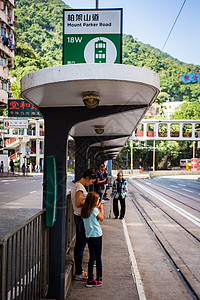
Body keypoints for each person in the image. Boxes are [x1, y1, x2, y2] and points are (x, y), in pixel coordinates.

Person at [71, 168, 97, 281]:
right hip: (80, 218)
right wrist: (91, 202)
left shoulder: (78, 186)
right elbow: (78, 203)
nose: (91, 183)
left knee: (80, 244)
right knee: (80, 246)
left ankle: (79, 270)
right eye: (91, 181)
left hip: (78, 217)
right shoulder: (79, 187)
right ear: (87, 178)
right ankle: (78, 272)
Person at [81, 192, 104, 288]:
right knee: (98, 258)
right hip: (97, 235)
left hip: (89, 236)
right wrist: (101, 208)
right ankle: (99, 278)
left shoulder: (85, 210)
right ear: (94, 201)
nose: (99, 201)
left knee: (92, 257)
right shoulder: (94, 210)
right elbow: (102, 218)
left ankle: (90, 279)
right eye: (98, 200)